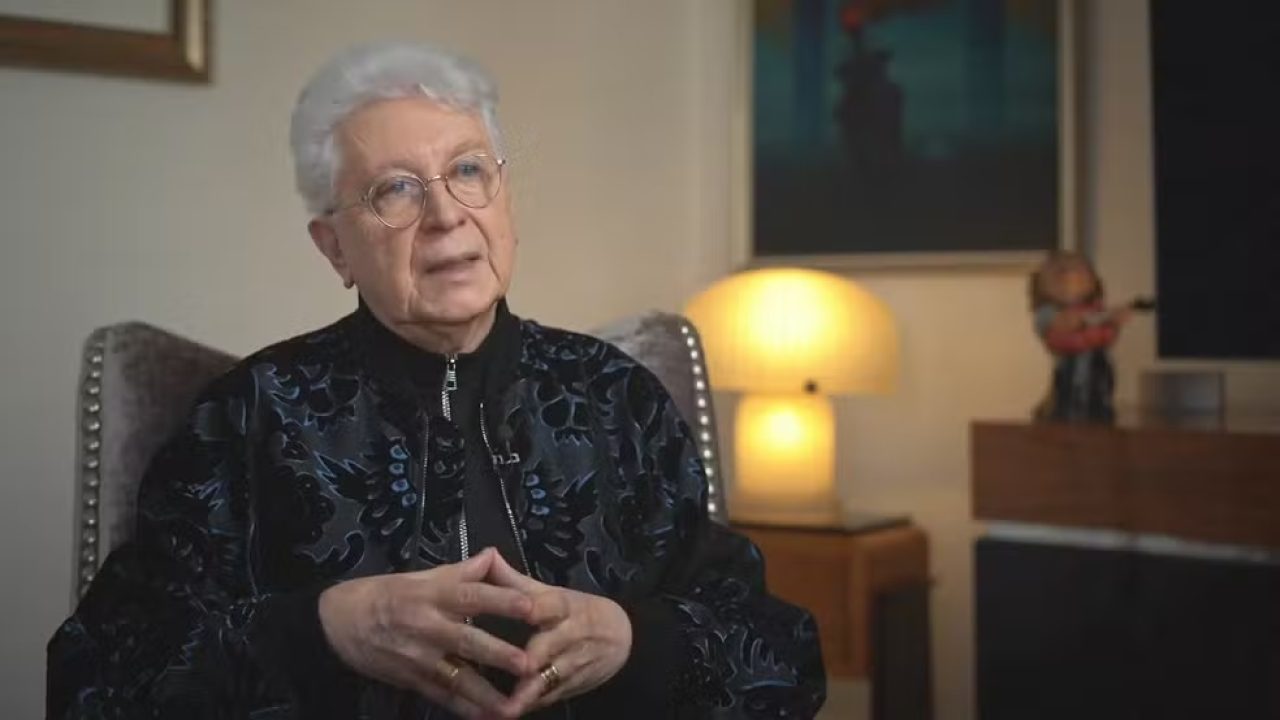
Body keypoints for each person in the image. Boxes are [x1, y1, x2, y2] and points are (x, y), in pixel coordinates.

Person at [47, 41, 826, 719]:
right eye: (395, 189)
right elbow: (94, 679)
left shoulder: (618, 400)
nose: (447, 215)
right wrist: (323, 631)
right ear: (335, 248)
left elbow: (784, 661)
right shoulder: (250, 417)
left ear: (505, 201)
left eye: (468, 171)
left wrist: (634, 640)